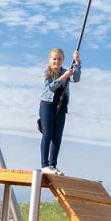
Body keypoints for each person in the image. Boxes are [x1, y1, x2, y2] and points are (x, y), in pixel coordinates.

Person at [38, 47, 80, 175]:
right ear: (50, 60)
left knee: (57, 137)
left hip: (61, 105)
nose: (57, 61)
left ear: (63, 60)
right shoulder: (47, 72)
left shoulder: (65, 71)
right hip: (48, 105)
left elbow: (76, 78)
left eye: (59, 59)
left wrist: (77, 63)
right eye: (54, 59)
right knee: (48, 134)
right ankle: (44, 165)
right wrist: (64, 77)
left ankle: (53, 165)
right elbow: (51, 87)